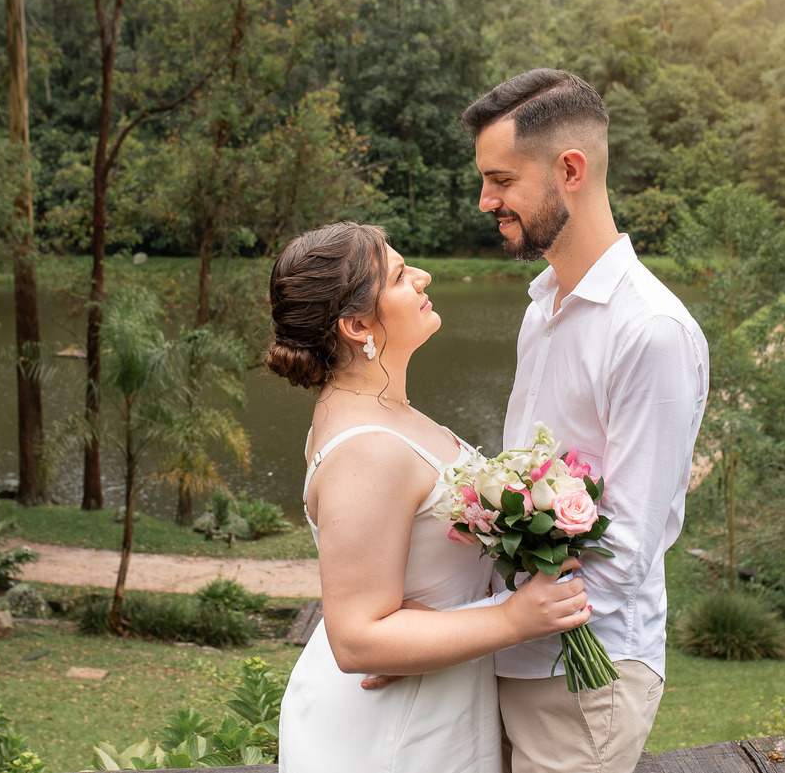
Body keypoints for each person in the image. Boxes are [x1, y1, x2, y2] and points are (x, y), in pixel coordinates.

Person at [266, 221, 592, 773]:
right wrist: (513, 619)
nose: (423, 276)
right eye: (398, 275)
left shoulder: (373, 406)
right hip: (390, 735)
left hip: (431, 701)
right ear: (355, 324)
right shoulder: (366, 448)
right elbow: (357, 641)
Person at [460, 70, 710, 773]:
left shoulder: (650, 330)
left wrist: (486, 628)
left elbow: (625, 550)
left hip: (585, 678)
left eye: (501, 179)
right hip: (510, 660)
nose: (486, 201)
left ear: (569, 169)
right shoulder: (542, 307)